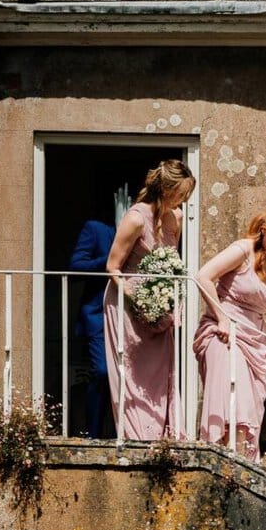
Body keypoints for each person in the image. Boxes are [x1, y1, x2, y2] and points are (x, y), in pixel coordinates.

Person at [193, 203, 266, 461]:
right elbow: (203, 276)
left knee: (249, 407)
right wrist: (222, 317)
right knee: (232, 399)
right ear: (265, 229)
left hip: (254, 339)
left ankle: (240, 464)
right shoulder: (243, 249)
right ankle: (220, 459)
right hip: (223, 333)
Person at [103, 159, 196, 441]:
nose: (182, 200)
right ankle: (136, 437)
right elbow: (112, 267)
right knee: (131, 375)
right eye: (179, 193)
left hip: (160, 308)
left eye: (186, 195)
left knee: (160, 375)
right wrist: (138, 298)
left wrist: (167, 300)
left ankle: (162, 438)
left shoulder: (176, 218)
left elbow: (168, 262)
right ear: (165, 189)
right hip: (128, 305)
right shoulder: (135, 218)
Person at [68, 217, 115, 437]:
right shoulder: (97, 229)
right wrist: (110, 261)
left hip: (133, 317)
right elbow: (75, 267)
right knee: (102, 372)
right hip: (99, 315)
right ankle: (94, 434)